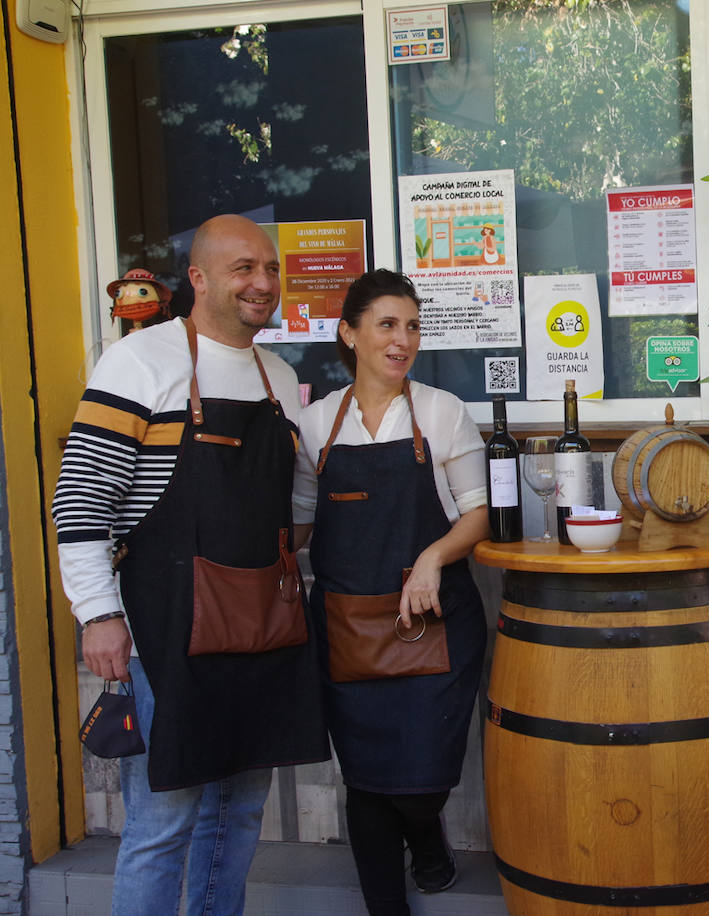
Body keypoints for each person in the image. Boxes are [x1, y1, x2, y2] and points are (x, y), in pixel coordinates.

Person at [52, 214, 330, 915]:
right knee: (164, 819)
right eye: (243, 268)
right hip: (167, 622)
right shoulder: (142, 360)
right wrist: (98, 615)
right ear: (199, 279)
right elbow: (82, 500)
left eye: (269, 268)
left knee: (239, 810)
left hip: (261, 623)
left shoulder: (279, 375)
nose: (262, 282)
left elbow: (292, 502)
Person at [292, 269, 489, 915]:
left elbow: (477, 516)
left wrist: (432, 558)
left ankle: (427, 838)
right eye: (386, 324)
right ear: (349, 333)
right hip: (349, 629)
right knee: (369, 783)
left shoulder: (439, 411)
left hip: (432, 623)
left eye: (411, 326)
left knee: (419, 785)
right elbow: (298, 524)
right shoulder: (317, 424)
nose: (402, 339)